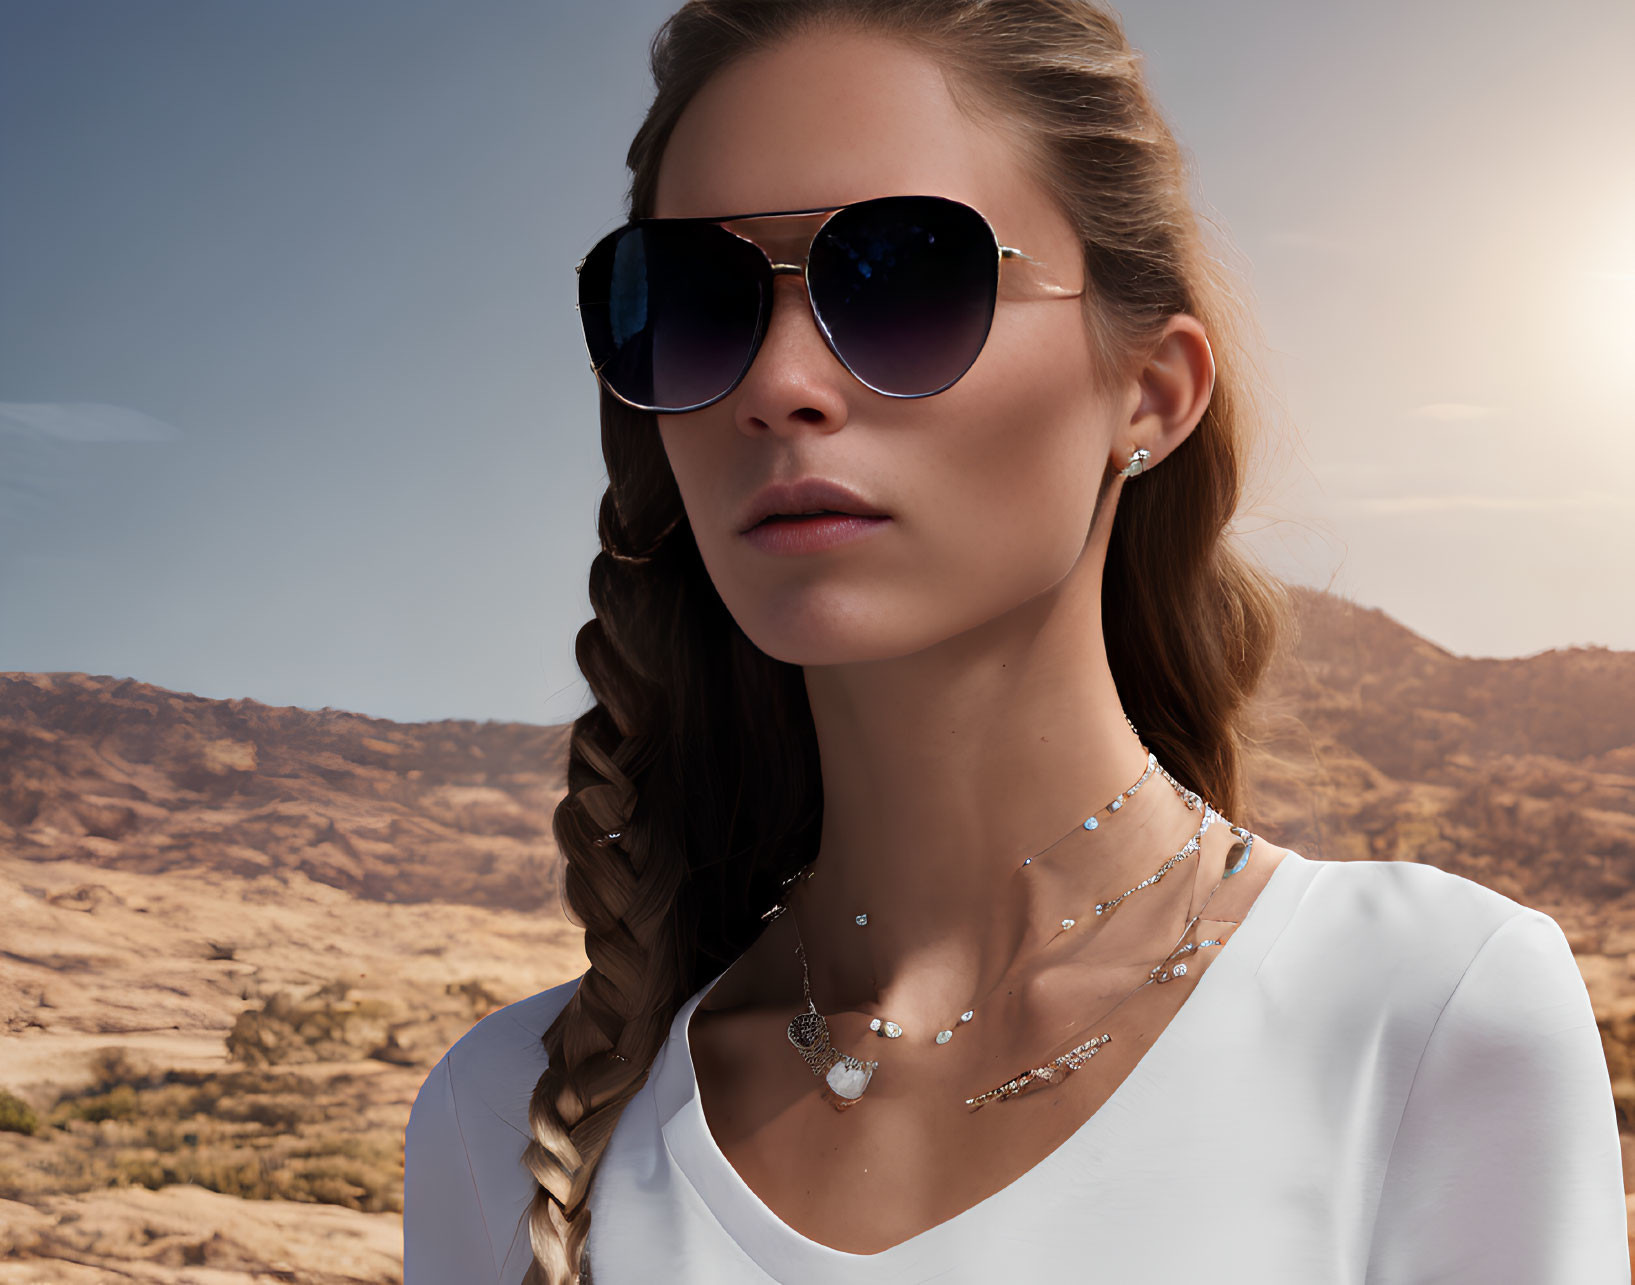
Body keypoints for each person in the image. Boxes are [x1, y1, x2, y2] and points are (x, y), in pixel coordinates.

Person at [402, 2, 1628, 1282]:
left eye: (899, 278)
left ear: (1149, 392)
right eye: (697, 303)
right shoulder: (509, 1120)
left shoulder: (1426, 1017)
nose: (777, 382)